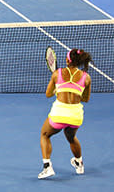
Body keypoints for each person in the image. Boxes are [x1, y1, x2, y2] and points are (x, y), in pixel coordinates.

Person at [38, 48, 92, 179]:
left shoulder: (57, 74)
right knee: (71, 137)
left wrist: (58, 89)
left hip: (59, 114)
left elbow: (48, 94)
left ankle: (47, 167)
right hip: (75, 116)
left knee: (45, 135)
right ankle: (79, 163)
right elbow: (85, 99)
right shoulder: (86, 77)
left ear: (68, 60)